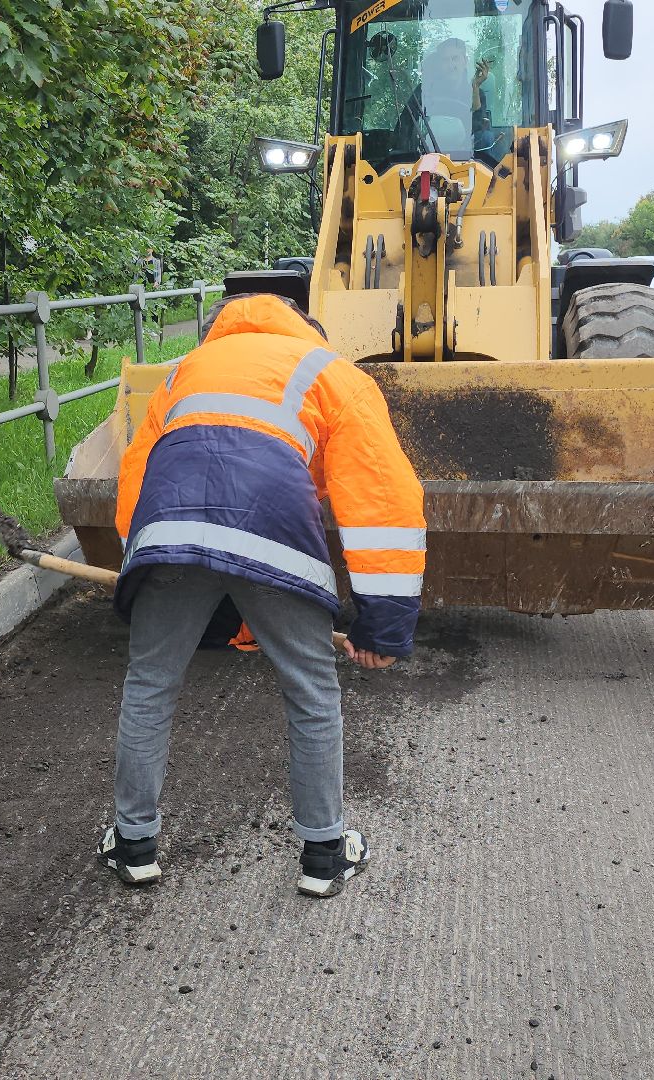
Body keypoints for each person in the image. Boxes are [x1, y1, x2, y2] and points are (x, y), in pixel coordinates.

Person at [97, 293, 427, 899]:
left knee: (149, 684)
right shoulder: (332, 373)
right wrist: (382, 626)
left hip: (168, 531)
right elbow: (383, 502)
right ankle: (324, 855)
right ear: (307, 331)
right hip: (272, 529)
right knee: (311, 691)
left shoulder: (184, 370)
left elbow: (137, 477)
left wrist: (139, 566)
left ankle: (133, 845)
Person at [392, 37, 495, 160]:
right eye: (445, 60)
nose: (451, 65)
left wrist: (475, 86)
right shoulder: (424, 91)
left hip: (466, 161)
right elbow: (405, 125)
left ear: (465, 61)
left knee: (486, 137)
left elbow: (478, 129)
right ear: (440, 65)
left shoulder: (476, 92)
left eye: (455, 58)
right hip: (424, 158)